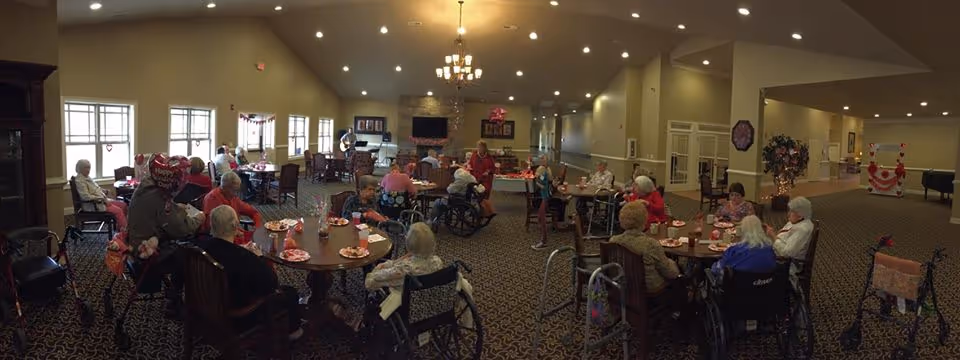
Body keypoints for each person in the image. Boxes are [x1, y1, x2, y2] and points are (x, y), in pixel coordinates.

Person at [199, 205, 304, 340]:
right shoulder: (244, 259)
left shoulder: (200, 248)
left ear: (212, 224)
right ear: (235, 226)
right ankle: (293, 332)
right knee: (290, 292)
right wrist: (258, 257)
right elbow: (271, 283)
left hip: (206, 303)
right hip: (237, 315)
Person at [126, 153, 204, 316]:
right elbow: (181, 229)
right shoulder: (161, 198)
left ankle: (173, 294)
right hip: (146, 252)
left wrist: (176, 208)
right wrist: (198, 218)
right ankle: (175, 302)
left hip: (134, 240)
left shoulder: (146, 186)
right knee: (189, 256)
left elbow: (158, 210)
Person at [609, 201, 680, 294]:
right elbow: (671, 273)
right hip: (650, 292)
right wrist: (673, 263)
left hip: (622, 288)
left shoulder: (613, 241)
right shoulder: (650, 244)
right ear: (644, 220)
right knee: (679, 280)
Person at [364, 222, 445, 290]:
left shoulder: (404, 268)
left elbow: (371, 282)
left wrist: (379, 266)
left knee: (371, 279)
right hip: (422, 298)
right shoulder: (437, 261)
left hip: (403, 300)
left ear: (409, 243)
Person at [711, 215, 777, 277]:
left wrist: (712, 265)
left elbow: (717, 270)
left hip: (737, 287)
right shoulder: (770, 249)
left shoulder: (735, 250)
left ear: (743, 230)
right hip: (765, 286)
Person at [73, 159, 128, 230]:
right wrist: (103, 200)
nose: (88, 170)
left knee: (123, 205)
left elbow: (94, 189)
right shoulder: (80, 181)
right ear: (80, 168)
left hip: (102, 200)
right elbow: (86, 196)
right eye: (85, 168)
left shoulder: (86, 177)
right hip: (95, 204)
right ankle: (125, 232)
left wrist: (103, 191)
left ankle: (121, 227)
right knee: (119, 211)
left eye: (89, 167)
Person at [767, 196, 815, 262]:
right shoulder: (795, 221)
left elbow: (786, 253)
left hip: (785, 263)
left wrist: (773, 236)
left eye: (792, 212)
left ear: (800, 216)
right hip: (776, 250)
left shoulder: (802, 230)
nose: (788, 214)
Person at [531, 165, 553, 250]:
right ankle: (543, 239)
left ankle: (544, 241)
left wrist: (537, 181)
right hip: (545, 198)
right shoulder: (544, 176)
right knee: (540, 218)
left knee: (542, 218)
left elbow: (543, 186)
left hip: (545, 198)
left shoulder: (544, 176)